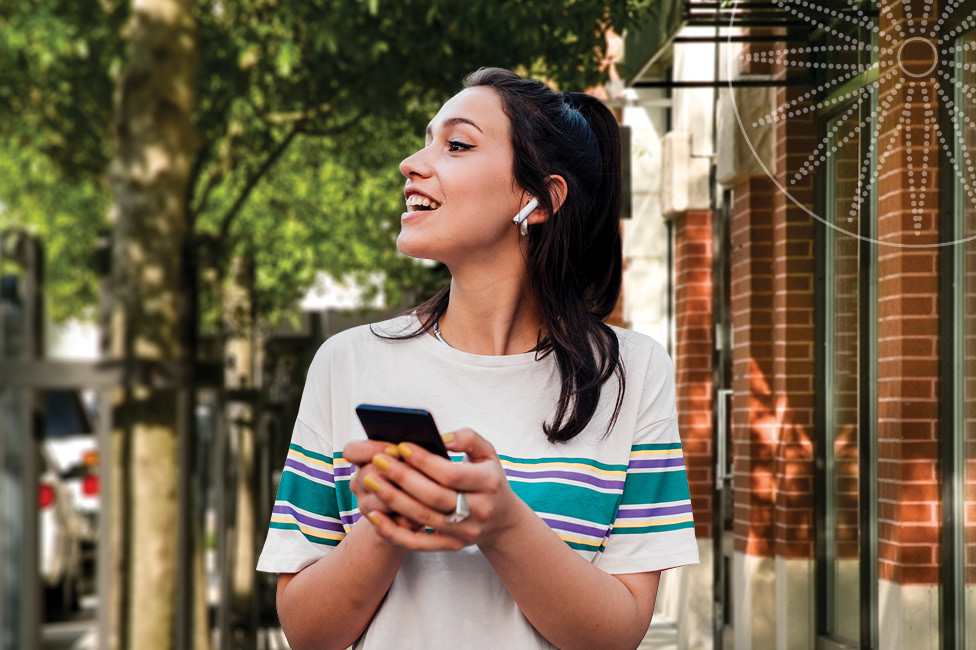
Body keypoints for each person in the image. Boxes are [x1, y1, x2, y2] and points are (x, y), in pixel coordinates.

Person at [256, 67, 699, 650]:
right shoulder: (347, 363)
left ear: (539, 199)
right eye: (426, 139)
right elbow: (307, 633)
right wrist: (390, 523)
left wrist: (503, 524)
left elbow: (616, 636)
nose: (411, 163)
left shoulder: (630, 372)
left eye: (457, 144)